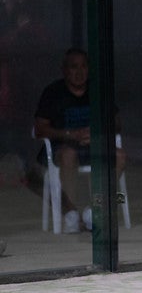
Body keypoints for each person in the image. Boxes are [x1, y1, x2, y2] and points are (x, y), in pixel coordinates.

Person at [34, 48, 125, 233]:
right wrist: (70, 135)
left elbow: (116, 123)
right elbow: (39, 129)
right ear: (64, 70)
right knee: (69, 155)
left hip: (94, 143)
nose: (79, 72)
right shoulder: (53, 92)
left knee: (119, 155)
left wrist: (97, 133)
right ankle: (71, 213)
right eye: (74, 67)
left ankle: (95, 209)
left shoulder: (97, 90)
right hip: (63, 145)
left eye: (83, 66)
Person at [0, 0, 53, 174]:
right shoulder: (14, 34)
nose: (4, 0)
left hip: (21, 115)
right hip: (12, 114)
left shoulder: (32, 35)